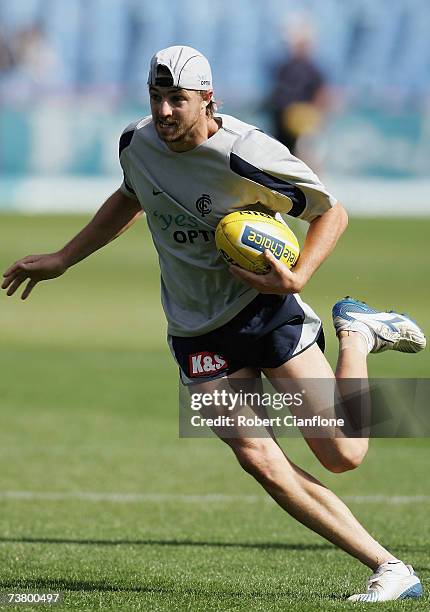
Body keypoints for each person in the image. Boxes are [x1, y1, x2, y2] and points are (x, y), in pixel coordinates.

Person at [2, 45, 426, 603]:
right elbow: (131, 196)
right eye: (156, 98)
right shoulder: (136, 143)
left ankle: (356, 332)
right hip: (193, 330)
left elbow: (331, 211)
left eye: (177, 99)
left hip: (266, 311)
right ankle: (389, 566)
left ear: (208, 99)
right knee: (258, 458)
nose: (164, 111)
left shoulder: (246, 153)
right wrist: (63, 257)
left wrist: (297, 277)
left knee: (342, 455)